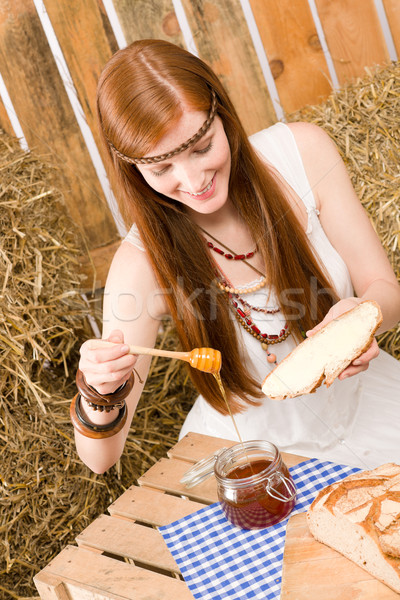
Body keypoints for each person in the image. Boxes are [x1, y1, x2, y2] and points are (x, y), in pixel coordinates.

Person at [74, 39, 400, 474]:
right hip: (255, 457)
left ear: (222, 115)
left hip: (373, 412)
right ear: (134, 169)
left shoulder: (304, 153)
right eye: (161, 168)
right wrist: (99, 391)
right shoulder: (139, 263)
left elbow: (386, 291)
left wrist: (363, 316)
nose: (193, 181)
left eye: (202, 147)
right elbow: (100, 460)